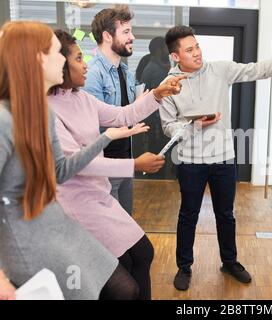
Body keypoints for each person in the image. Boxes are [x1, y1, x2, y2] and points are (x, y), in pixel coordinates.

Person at [160, 25, 272, 291]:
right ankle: (184, 266)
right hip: (190, 162)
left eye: (197, 46)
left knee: (226, 214)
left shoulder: (220, 69)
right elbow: (168, 126)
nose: (197, 53)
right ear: (176, 56)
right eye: (189, 50)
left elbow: (259, 69)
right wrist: (194, 125)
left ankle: (230, 261)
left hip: (224, 159)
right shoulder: (169, 86)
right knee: (188, 215)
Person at [0, 21, 151, 300]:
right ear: (35, 58)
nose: (63, 59)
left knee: (126, 287)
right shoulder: (4, 119)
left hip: (56, 226)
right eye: (58, 53)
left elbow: (59, 171)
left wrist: (107, 138)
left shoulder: (41, 113)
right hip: (26, 241)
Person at [48, 30, 184, 300]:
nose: (85, 63)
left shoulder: (82, 98)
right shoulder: (48, 110)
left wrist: (157, 94)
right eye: (78, 58)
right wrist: (133, 164)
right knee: (125, 283)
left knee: (143, 254)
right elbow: (77, 165)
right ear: (59, 64)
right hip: (77, 205)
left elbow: (123, 114)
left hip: (98, 195)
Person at [84, 5, 144, 215]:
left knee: (126, 230)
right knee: (111, 237)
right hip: (104, 168)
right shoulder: (93, 74)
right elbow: (94, 126)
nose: (132, 37)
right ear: (108, 36)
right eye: (126, 32)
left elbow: (128, 115)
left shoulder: (126, 72)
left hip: (125, 161)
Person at [134, 36, 175, 180]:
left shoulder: (155, 67)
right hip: (156, 120)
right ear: (159, 49)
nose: (168, 51)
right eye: (166, 48)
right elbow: (165, 96)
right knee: (158, 154)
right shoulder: (155, 70)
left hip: (154, 119)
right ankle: (157, 181)